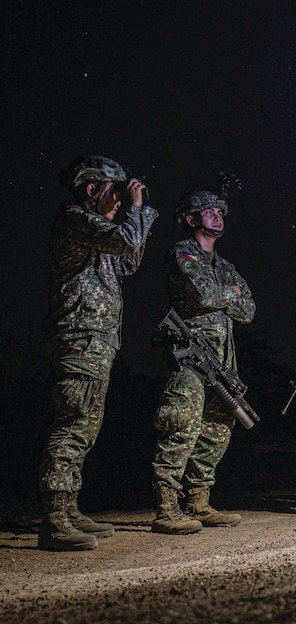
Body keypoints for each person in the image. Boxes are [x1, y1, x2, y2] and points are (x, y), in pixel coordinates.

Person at [38, 156, 156, 551]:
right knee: (72, 422)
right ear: (92, 189)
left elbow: (129, 261)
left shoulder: (98, 231)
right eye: (115, 190)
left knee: (86, 426)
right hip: (79, 336)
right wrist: (136, 210)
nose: (122, 199)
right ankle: (54, 519)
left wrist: (139, 216)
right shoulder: (75, 219)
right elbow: (126, 239)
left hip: (97, 338)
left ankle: (69, 509)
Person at [150, 190, 254, 535]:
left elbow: (248, 311)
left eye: (220, 211)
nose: (217, 216)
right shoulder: (182, 252)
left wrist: (226, 297)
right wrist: (229, 296)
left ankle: (199, 500)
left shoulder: (226, 266)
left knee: (218, 428)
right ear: (191, 218)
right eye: (208, 211)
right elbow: (203, 294)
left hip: (221, 360)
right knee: (182, 423)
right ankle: (166, 507)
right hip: (190, 356)